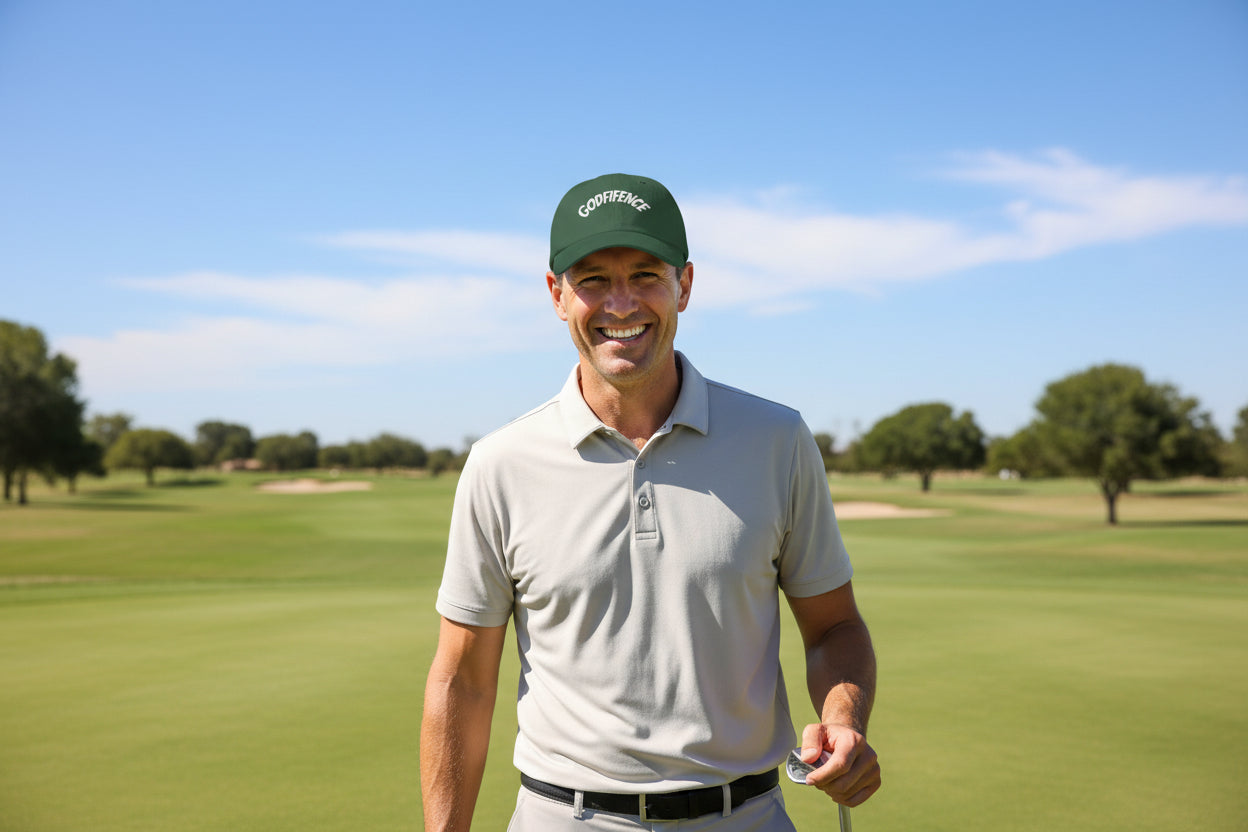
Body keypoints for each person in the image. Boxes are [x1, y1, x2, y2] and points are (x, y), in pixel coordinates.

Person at [421, 173, 880, 831]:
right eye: (593, 280)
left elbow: (835, 627)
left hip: (747, 816)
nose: (621, 303)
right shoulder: (501, 463)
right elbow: (462, 679)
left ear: (684, 286)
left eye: (645, 275)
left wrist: (842, 717)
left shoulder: (777, 440)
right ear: (557, 295)